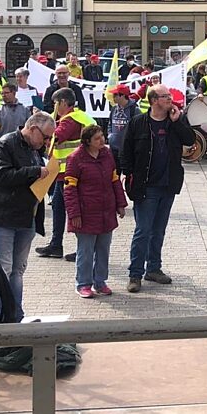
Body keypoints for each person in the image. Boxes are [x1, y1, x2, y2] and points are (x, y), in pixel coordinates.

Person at [119, 84, 195, 293]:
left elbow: (190, 140)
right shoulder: (138, 123)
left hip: (168, 185)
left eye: (169, 95)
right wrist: (127, 175)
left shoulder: (175, 122)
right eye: (165, 96)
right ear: (154, 101)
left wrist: (177, 121)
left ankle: (153, 268)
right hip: (146, 186)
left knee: (158, 230)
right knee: (143, 230)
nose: (170, 99)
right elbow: (126, 152)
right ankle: (135, 274)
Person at [0, 111, 57, 321]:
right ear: (33, 129)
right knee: (3, 269)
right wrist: (34, 171)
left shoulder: (35, 148)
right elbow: (1, 176)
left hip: (27, 218)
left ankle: (15, 315)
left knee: (18, 270)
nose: (47, 142)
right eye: (45, 137)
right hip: (4, 217)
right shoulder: (5, 144)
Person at [64, 124, 127, 298]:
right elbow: (69, 189)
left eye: (102, 136)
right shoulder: (75, 158)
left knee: (103, 250)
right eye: (97, 138)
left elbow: (114, 180)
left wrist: (120, 203)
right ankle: (83, 284)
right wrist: (74, 214)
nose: (102, 140)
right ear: (87, 141)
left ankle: (100, 282)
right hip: (85, 213)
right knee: (85, 251)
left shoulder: (107, 154)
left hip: (106, 211)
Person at [36, 88, 95, 260]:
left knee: (73, 210)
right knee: (58, 208)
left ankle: (83, 249)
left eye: (55, 103)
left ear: (63, 102)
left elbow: (55, 136)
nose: (54, 106)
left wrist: (45, 125)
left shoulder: (69, 121)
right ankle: (56, 244)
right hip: (65, 173)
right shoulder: (80, 116)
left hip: (69, 173)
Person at [0, 83, 31, 148]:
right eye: (2, 93)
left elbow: (29, 129)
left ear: (14, 93)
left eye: (6, 93)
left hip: (20, 146)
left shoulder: (24, 110)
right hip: (4, 146)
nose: (3, 95)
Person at [106, 85, 139, 162]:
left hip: (128, 149)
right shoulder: (114, 109)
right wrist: (110, 136)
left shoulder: (135, 110)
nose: (113, 97)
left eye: (115, 95)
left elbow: (139, 128)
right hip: (114, 148)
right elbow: (110, 123)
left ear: (123, 96)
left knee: (128, 172)